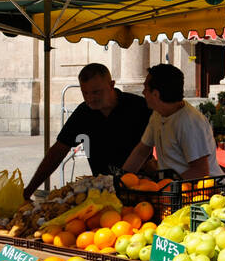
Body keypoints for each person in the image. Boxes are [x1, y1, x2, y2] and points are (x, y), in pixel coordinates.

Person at [24, 64, 152, 195]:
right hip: (103, 191)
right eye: (85, 93)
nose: (90, 98)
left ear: (111, 85)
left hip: (143, 187)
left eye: (96, 92)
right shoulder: (84, 112)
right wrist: (29, 190)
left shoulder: (139, 107)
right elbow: (58, 151)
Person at [122, 64, 222, 179]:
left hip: (200, 191)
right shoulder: (158, 114)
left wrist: (168, 187)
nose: (143, 93)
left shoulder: (190, 123)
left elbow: (200, 171)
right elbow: (142, 151)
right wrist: (121, 178)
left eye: (146, 88)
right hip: (172, 188)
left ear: (156, 94)